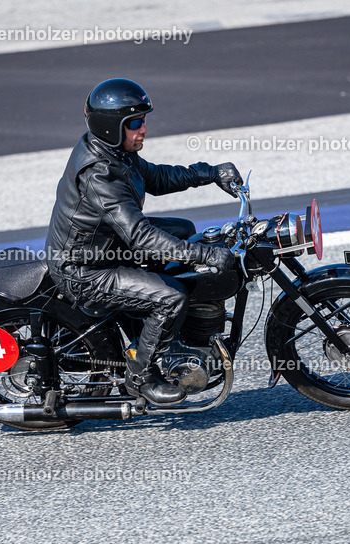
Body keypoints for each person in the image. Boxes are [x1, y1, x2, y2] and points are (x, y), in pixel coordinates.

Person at [45, 78, 241, 406]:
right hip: (83, 270)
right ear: (110, 126)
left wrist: (210, 173)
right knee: (171, 298)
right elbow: (140, 235)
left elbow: (159, 178)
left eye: (143, 120)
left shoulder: (116, 153)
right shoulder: (100, 174)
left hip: (105, 248)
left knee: (184, 227)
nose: (144, 129)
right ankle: (141, 377)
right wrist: (204, 255)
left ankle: (161, 337)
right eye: (135, 123)